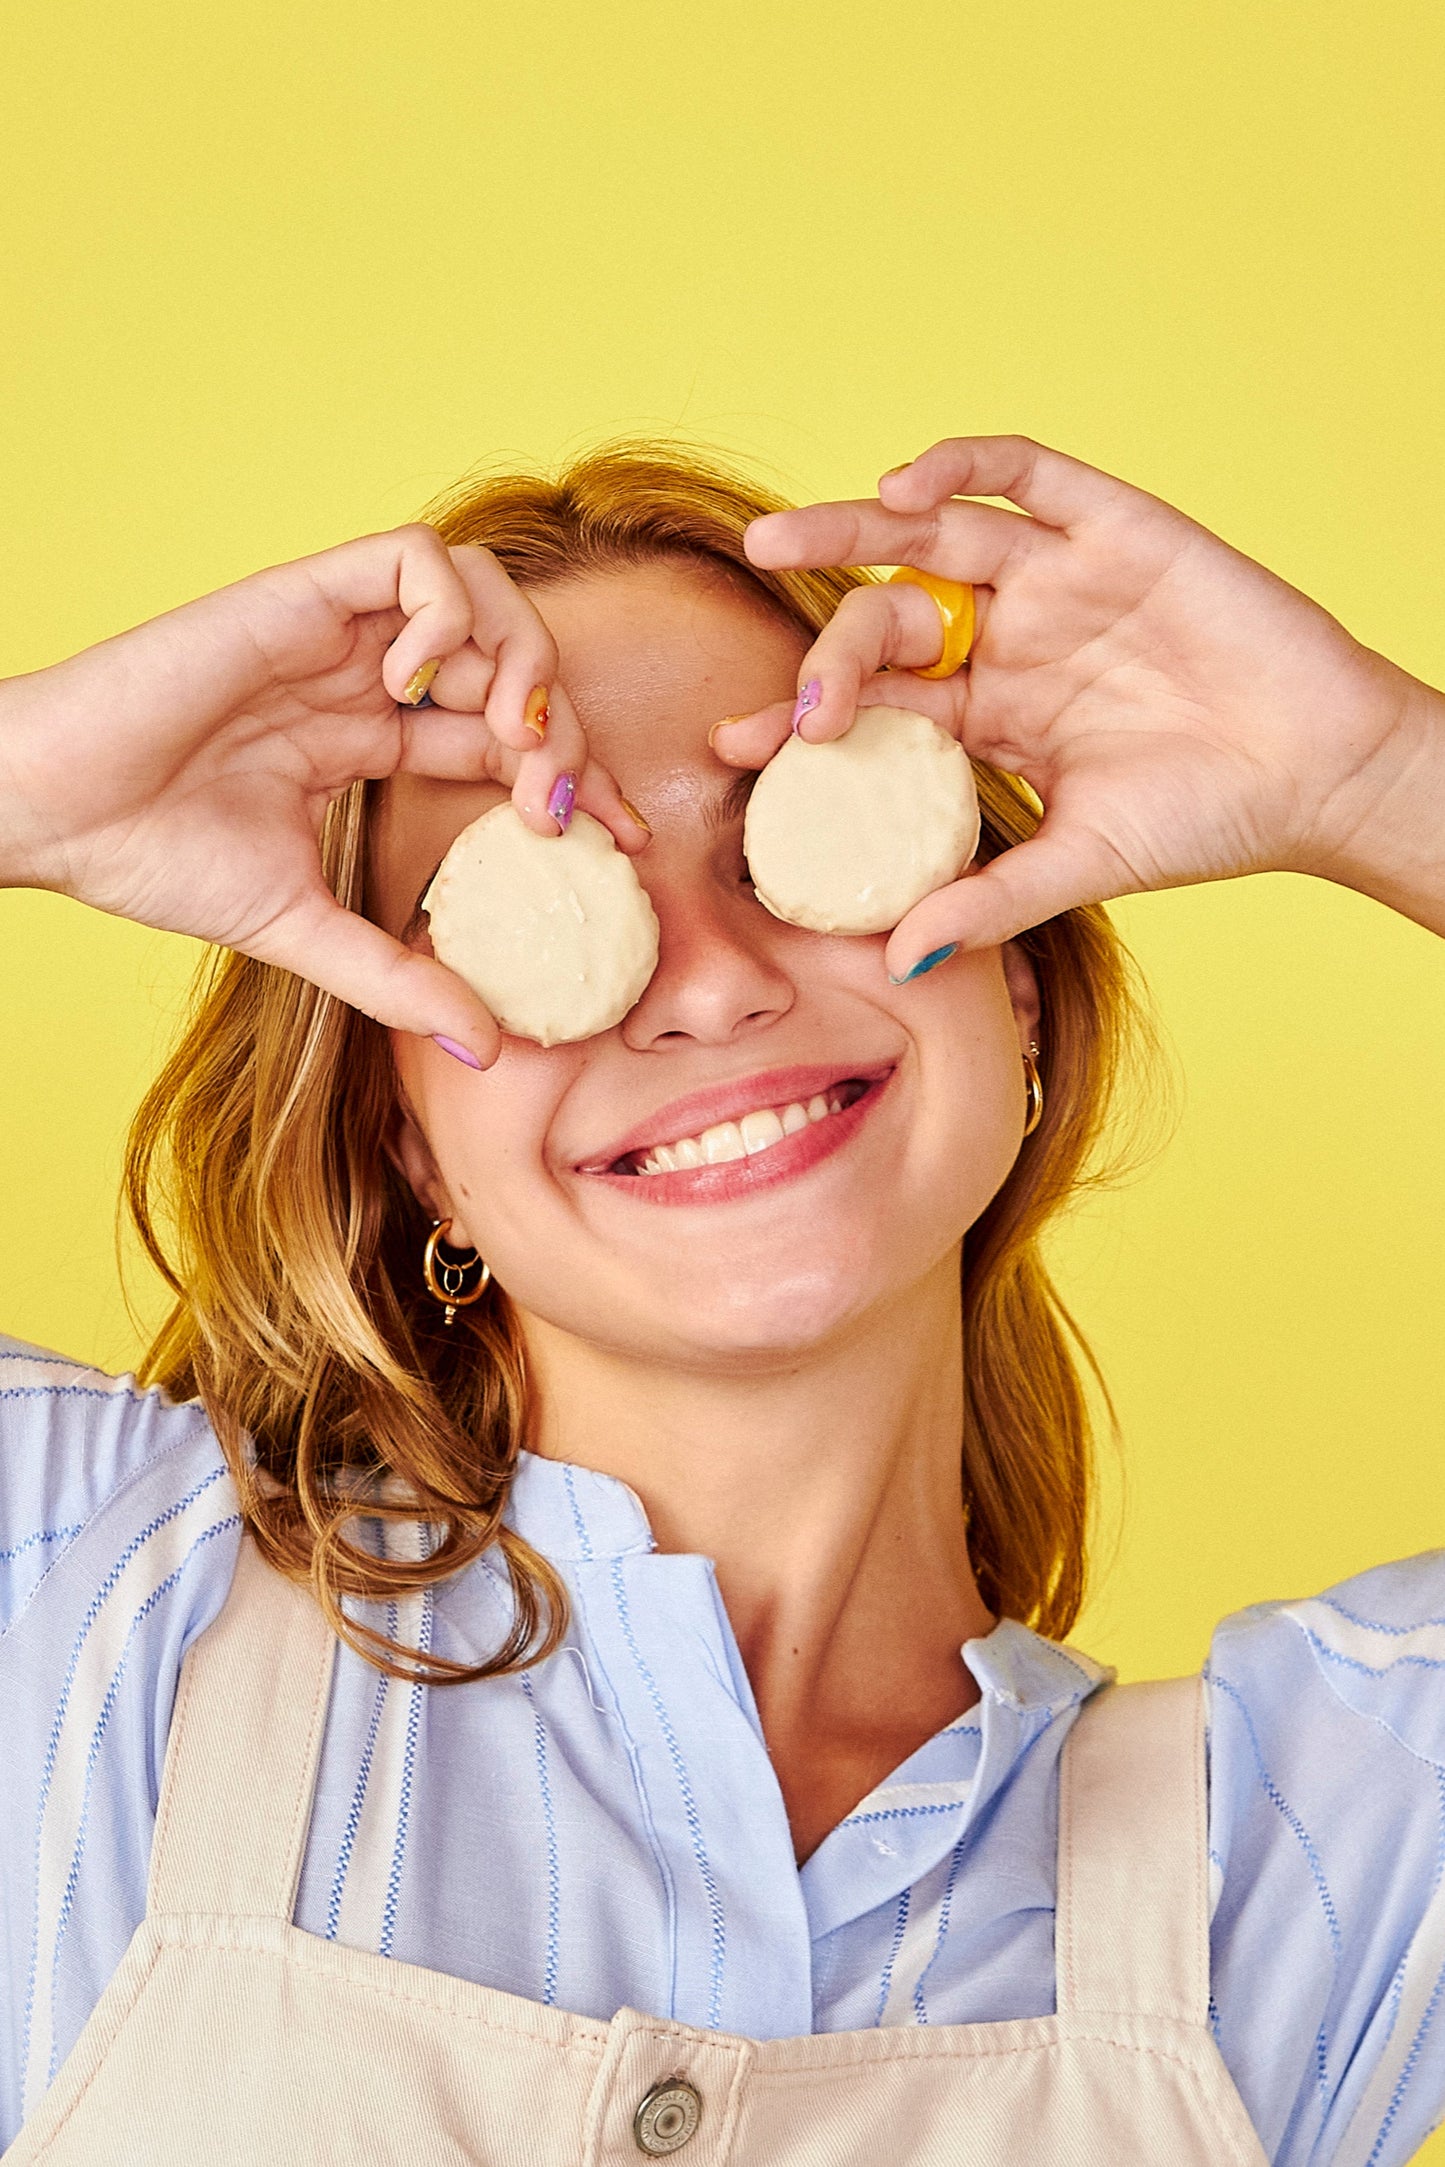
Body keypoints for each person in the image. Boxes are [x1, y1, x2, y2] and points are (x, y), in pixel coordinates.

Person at [0, 434, 1440, 2166]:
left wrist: (1378, 777)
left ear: (1024, 986)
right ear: (411, 1146)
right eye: (543, 899)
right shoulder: (77, 1599)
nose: (706, 987)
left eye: (792, 845)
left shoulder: (1298, 1865)